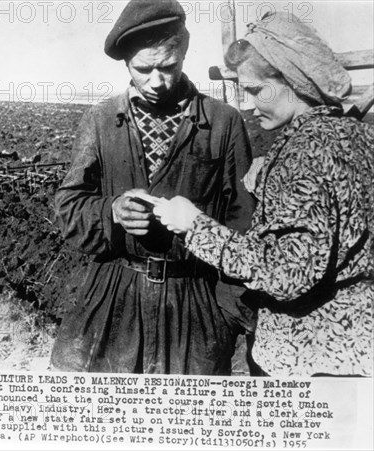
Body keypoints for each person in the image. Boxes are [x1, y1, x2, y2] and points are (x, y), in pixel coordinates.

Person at [153, 11, 374, 377]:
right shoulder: (358, 138)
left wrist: (194, 226)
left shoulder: (305, 152)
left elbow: (287, 272)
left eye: (256, 90)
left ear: (294, 81)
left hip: (309, 358)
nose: (250, 105)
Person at [50, 0, 256, 375]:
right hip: (113, 298)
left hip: (194, 305)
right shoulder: (100, 121)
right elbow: (68, 206)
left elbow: (245, 220)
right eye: (144, 69)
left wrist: (227, 315)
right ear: (126, 63)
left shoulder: (224, 123)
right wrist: (110, 211)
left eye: (168, 66)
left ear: (184, 49)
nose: (157, 81)